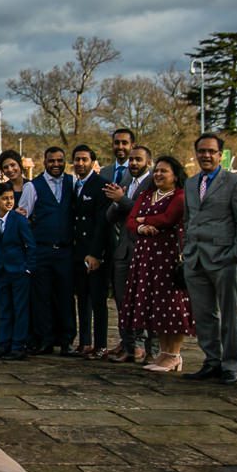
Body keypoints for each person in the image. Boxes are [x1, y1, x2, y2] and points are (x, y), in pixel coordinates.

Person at [182, 133, 237, 383]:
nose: (206, 156)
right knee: (203, 314)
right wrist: (187, 249)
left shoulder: (234, 182)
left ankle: (231, 364)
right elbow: (188, 219)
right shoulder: (191, 184)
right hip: (195, 259)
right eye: (202, 151)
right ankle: (211, 360)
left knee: (229, 314)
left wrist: (236, 254)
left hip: (223, 258)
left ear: (220, 154)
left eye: (211, 151)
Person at [128, 155, 196, 373]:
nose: (158, 174)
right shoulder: (147, 195)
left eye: (164, 171)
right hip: (147, 258)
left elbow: (168, 218)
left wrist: (144, 219)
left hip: (168, 258)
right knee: (156, 307)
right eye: (156, 170)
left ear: (175, 175)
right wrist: (139, 227)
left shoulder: (179, 196)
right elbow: (130, 219)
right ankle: (164, 353)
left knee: (172, 306)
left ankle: (174, 354)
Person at [16, 147, 76, 355]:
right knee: (42, 296)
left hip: (65, 250)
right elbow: (23, 217)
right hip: (42, 249)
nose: (56, 164)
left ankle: (67, 340)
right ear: (45, 161)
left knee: (66, 296)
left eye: (60, 160)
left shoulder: (72, 183)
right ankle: (45, 338)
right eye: (52, 161)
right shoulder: (33, 186)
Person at [103, 144, 153, 363]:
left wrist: (121, 200)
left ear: (147, 162)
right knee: (123, 302)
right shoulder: (124, 181)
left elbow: (145, 213)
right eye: (131, 160)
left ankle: (146, 347)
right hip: (123, 250)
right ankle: (128, 345)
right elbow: (110, 216)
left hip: (145, 250)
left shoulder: (153, 183)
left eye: (138, 160)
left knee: (144, 301)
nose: (133, 163)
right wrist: (116, 201)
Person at [0, 184, 33, 359]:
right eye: (5, 198)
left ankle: (18, 345)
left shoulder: (19, 220)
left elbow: (30, 245)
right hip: (0, 271)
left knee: (19, 308)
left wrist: (27, 268)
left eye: (11, 198)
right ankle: (4, 343)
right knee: (4, 308)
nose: (9, 202)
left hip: (18, 270)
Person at [70, 145, 112, 357]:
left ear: (93, 162)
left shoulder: (101, 186)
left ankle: (101, 344)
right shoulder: (74, 186)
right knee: (82, 300)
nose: (80, 163)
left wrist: (96, 254)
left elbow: (101, 224)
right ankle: (85, 342)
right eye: (77, 159)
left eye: (84, 159)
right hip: (77, 253)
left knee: (98, 301)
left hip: (95, 253)